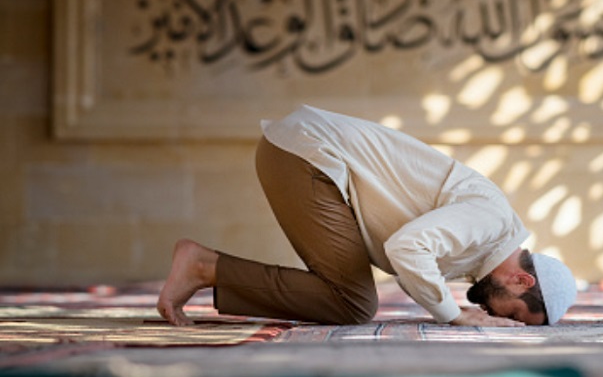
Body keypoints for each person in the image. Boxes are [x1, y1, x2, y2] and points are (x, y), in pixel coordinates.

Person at [158, 105, 577, 327]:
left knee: (352, 301)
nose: (503, 320)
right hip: (307, 155)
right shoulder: (491, 222)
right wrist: (452, 315)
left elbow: (409, 256)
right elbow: (407, 247)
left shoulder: (481, 250)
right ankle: (202, 266)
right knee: (353, 302)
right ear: (522, 280)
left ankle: (207, 267)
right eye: (517, 314)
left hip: (304, 155)